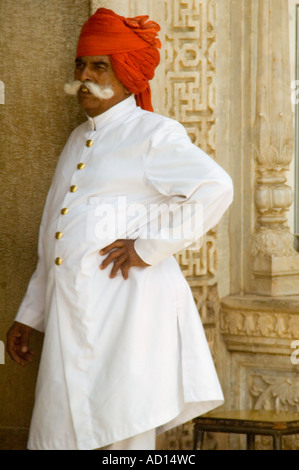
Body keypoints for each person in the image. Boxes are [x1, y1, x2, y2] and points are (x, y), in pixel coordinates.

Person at [6, 8, 233, 451]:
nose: (84, 76)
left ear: (127, 74)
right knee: (55, 434)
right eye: (80, 64)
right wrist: (29, 314)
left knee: (125, 437)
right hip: (71, 320)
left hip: (130, 320)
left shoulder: (154, 134)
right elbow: (54, 238)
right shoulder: (77, 140)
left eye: (99, 65)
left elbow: (216, 187)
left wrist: (148, 247)